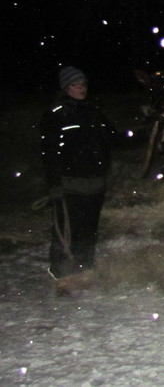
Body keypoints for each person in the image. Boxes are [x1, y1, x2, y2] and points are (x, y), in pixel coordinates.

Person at [40, 66, 116, 278]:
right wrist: (54, 184)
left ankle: (85, 269)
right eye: (76, 85)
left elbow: (113, 139)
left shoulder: (94, 111)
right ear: (66, 88)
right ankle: (61, 272)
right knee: (65, 229)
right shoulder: (55, 115)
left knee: (89, 228)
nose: (81, 88)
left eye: (83, 84)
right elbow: (49, 153)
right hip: (68, 182)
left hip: (95, 183)